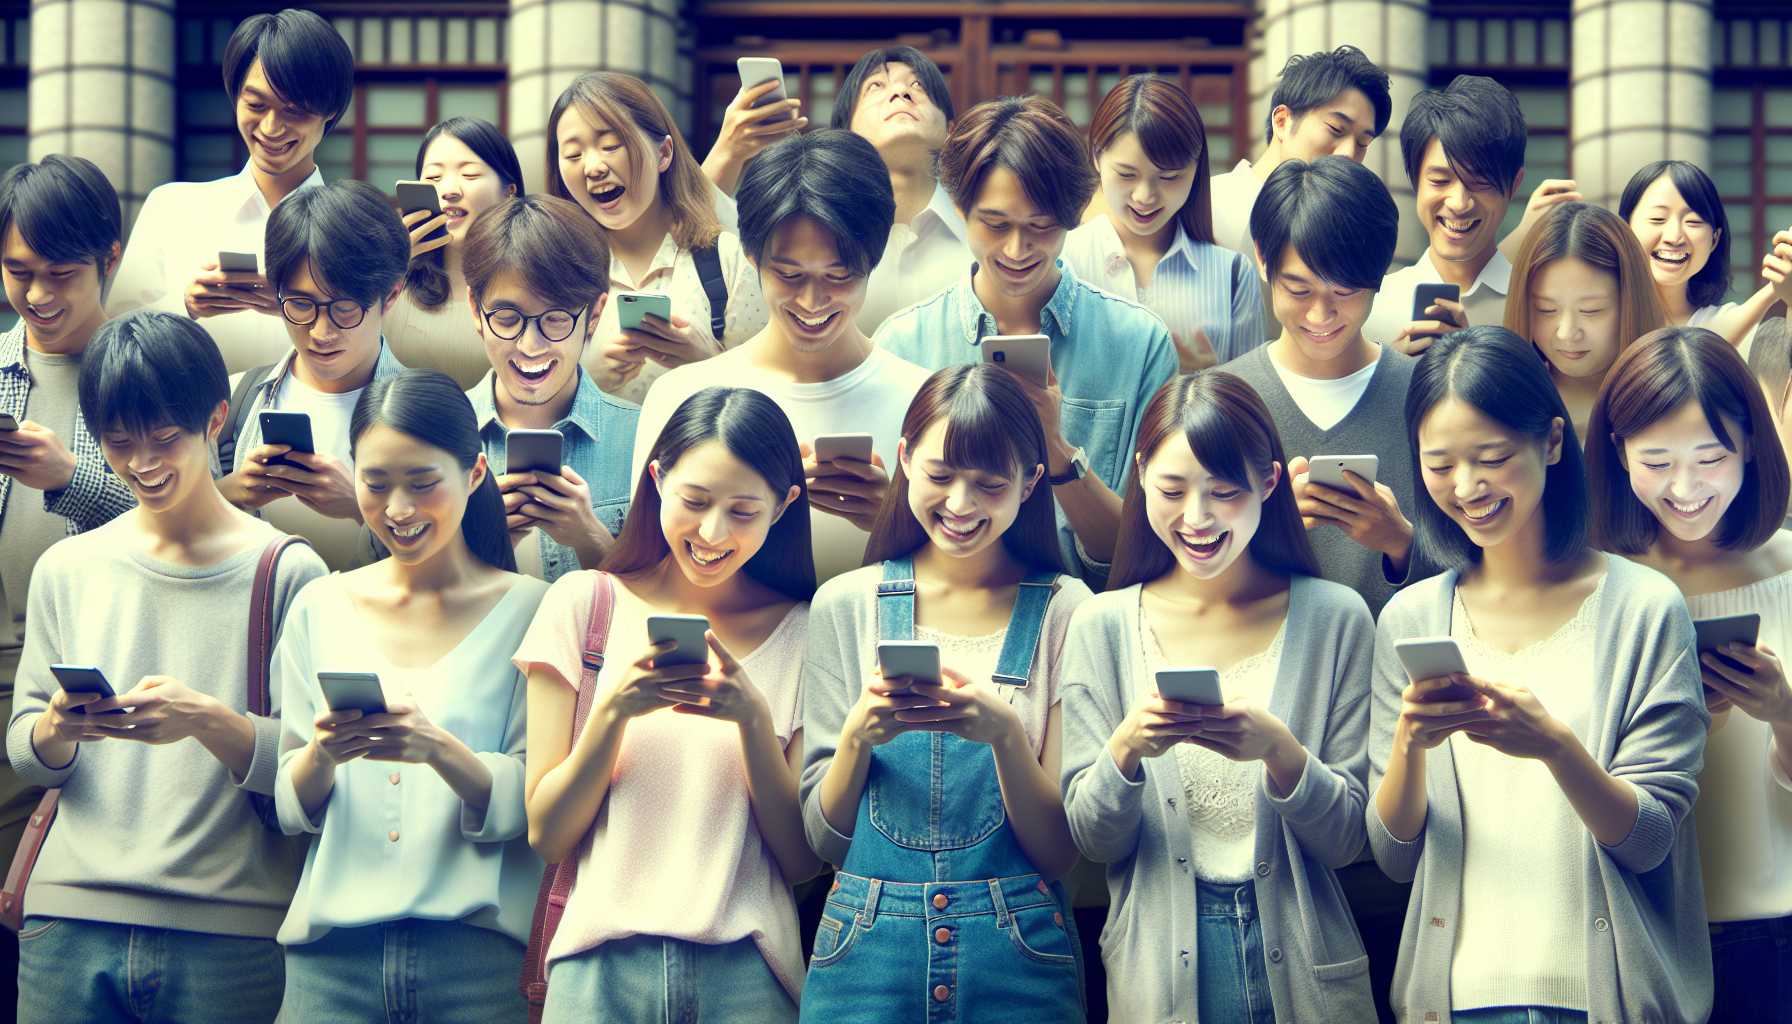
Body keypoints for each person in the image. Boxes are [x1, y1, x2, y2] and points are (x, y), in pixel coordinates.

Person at [1369, 325, 1712, 1023]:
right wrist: (1409, 743)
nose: (1466, 487)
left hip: (1606, 1002)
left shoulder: (1644, 609)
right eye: (1439, 465)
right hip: (1455, 1001)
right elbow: (1393, 856)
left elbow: (1648, 841)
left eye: (1491, 457)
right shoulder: (1410, 619)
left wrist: (1554, 745)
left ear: (1552, 442)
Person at [8, 310, 327, 1023]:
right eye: (119, 443)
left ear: (216, 419)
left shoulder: (288, 572)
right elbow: (26, 747)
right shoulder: (68, 567)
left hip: (231, 932)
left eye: (164, 438)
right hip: (68, 921)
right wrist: (58, 728)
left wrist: (206, 719)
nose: (142, 463)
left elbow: (313, 770)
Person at [1059, 371, 1376, 1023]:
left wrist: (1281, 753)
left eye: (1224, 493)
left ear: (1269, 482)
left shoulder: (1335, 618)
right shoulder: (1103, 623)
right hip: (1158, 969)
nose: (1196, 519)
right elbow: (1092, 840)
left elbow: (1350, 840)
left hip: (1307, 962)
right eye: (1172, 490)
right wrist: (1126, 750)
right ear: (1142, 474)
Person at [799, 364, 1091, 1023]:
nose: (961, 505)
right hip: (863, 958)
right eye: (939, 476)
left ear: (1031, 482)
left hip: (1019, 959)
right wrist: (858, 736)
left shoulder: (1069, 611)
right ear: (904, 459)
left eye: (990, 484)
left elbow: (1059, 852)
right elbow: (823, 840)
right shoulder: (846, 604)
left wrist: (1004, 735)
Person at [518, 386, 817, 1022]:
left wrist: (752, 720)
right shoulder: (583, 603)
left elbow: (799, 860)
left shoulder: (801, 630)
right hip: (596, 971)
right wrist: (616, 711)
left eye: (743, 511)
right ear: (657, 481)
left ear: (785, 506)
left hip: (747, 973)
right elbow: (546, 833)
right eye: (694, 501)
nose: (712, 533)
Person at [272, 369, 546, 1021]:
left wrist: (438, 749)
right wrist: (322, 754)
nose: (398, 510)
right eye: (376, 483)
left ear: (476, 473)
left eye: (423, 484)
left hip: (479, 966)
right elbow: (289, 803)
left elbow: (543, 800)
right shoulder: (320, 604)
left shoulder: (534, 608)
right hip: (332, 963)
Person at [875, 95, 1177, 585]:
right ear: (958, 207)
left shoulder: (1138, 344)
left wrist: (1058, 452)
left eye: (1040, 227)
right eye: (996, 225)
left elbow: (1146, 550)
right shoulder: (905, 343)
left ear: (1074, 214)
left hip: (1081, 625)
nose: (1017, 250)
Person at [1585, 326, 1792, 1023]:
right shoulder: (1597, 585)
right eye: (1656, 461)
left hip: (1776, 925)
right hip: (1637, 930)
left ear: (1750, 450)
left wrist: (1783, 711)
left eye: (1711, 458)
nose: (1685, 488)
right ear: (1617, 455)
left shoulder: (1789, 570)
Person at [636, 130, 929, 583]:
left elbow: (969, 589)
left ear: (872, 260)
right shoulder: (681, 395)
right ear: (752, 257)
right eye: (789, 274)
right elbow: (648, 572)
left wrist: (895, 521)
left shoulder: (924, 403)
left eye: (839, 275)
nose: (813, 301)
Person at [0, 155, 137, 1012]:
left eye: (61, 276)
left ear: (109, 260)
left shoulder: (136, 377)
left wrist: (67, 477)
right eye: (18, 273)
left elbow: (178, 517)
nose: (39, 296)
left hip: (70, 701)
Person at [106, 9, 355, 375]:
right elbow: (111, 339)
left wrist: (303, 307)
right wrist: (185, 304)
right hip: (186, 426)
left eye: (295, 111)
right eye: (256, 105)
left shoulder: (354, 228)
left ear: (329, 112)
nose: (271, 127)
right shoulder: (171, 207)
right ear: (234, 96)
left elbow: (378, 350)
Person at [1219, 156, 1416, 616]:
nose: (1320, 316)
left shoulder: (1423, 396)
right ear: (1262, 260)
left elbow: (1479, 574)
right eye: (1299, 290)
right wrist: (1268, 527)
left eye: (1344, 293)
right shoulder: (1224, 399)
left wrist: (1401, 543)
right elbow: (1180, 572)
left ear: (1379, 273)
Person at [214, 180, 410, 571]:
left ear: (390, 295)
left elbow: (458, 567)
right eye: (301, 305)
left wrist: (360, 507)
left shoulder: (432, 414)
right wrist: (226, 493)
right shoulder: (237, 399)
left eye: (345, 309)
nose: (321, 332)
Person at [548, 72, 768, 406]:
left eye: (610, 146)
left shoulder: (728, 259)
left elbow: (775, 395)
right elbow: (521, 399)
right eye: (574, 155)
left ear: (663, 154)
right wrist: (583, 381)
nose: (593, 167)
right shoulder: (554, 274)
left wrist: (705, 362)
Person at [462, 194, 640, 582]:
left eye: (557, 319)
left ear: (594, 314)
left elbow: (667, 604)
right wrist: (480, 550)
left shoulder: (642, 437)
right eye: (507, 318)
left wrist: (591, 538)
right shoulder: (433, 438)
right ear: (476, 310)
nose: (530, 346)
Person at [1064, 74, 1265, 372]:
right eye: (1126, 174)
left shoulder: (1233, 274)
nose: (1145, 196)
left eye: (1169, 177)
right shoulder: (1063, 261)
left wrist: (1209, 383)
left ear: (1196, 169)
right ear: (1096, 157)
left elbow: (1252, 405)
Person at [1362, 75, 1527, 356]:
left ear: (1514, 185)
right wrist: (1389, 374)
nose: (1459, 203)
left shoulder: (1538, 306)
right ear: (1415, 181)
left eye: (1480, 183)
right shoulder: (1371, 307)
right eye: (1440, 181)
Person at [826, 46, 972, 335]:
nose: (900, 93)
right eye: (876, 86)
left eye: (918, 85)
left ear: (950, 131)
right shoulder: (821, 237)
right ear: (845, 132)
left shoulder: (983, 237)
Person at [1207, 46, 1392, 264]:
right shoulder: (1209, 207)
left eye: (1363, 143)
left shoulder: (1347, 232)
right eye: (1336, 129)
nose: (1349, 153)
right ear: (1282, 121)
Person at [1503, 201, 1666, 440]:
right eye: (1546, 309)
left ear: (1632, 303)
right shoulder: (1506, 404)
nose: (1567, 333)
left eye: (1591, 310)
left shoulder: (1673, 401)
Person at [387, 116, 524, 388]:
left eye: (469, 174)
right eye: (434, 177)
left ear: (509, 192)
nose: (448, 190)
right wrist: (390, 262)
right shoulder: (392, 276)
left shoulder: (533, 280)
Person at [1619, 160, 1792, 352]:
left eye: (1693, 222)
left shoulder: (1749, 335)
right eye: (1657, 219)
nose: (1674, 237)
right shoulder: (1606, 319)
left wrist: (1778, 292)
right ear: (1625, 229)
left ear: (1715, 239)